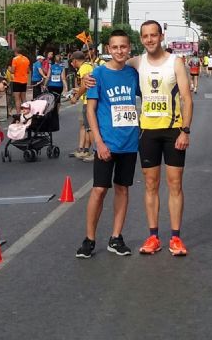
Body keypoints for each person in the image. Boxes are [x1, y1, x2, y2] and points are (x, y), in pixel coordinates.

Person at [83, 21, 193, 255]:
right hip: (145, 133)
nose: (150, 39)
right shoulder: (135, 64)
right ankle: (152, 236)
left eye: (154, 35)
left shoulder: (174, 62)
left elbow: (186, 98)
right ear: (141, 40)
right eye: (146, 36)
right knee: (147, 186)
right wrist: (83, 83)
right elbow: (107, 75)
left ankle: (175, 238)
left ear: (161, 36)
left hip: (170, 131)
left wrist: (186, 130)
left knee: (174, 184)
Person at [76, 30, 140, 259]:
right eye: (115, 47)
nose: (120, 51)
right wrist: (99, 142)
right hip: (106, 144)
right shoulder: (98, 74)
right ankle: (89, 239)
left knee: (123, 189)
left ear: (129, 48)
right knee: (99, 190)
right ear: (108, 49)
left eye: (123, 47)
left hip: (130, 143)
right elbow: (90, 110)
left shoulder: (134, 74)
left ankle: (116, 237)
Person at [70, 51, 95, 161]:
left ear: (75, 60)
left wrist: (76, 96)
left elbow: (85, 85)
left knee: (90, 128)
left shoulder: (84, 68)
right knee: (87, 127)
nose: (71, 64)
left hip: (87, 101)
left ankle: (94, 152)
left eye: (72, 61)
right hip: (88, 99)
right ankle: (85, 150)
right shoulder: (88, 66)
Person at [10, 47, 30, 113]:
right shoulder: (26, 59)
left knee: (17, 99)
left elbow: (12, 71)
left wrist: (9, 69)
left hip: (17, 81)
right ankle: (26, 112)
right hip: (24, 80)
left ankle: (18, 113)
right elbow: (28, 71)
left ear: (16, 52)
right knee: (24, 98)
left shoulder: (15, 59)